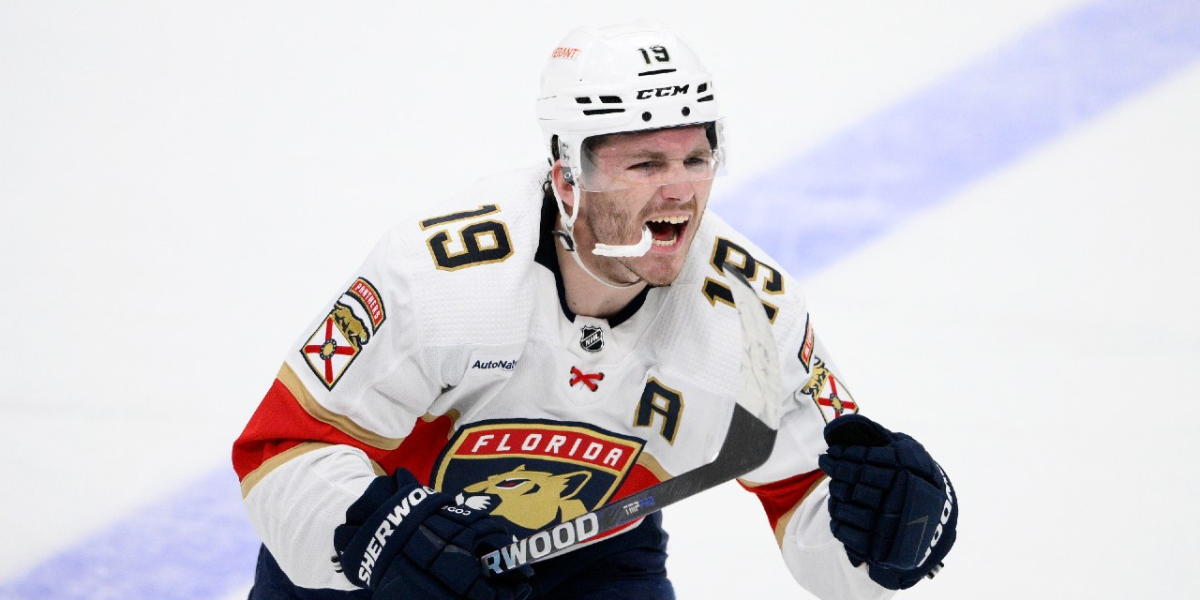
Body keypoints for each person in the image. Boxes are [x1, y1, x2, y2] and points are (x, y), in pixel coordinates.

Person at [233, 21, 957, 600]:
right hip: (379, 571)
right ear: (566, 174)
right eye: (644, 165)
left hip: (591, 562)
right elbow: (279, 452)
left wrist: (884, 541)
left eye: (694, 159)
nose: (679, 191)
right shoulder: (439, 278)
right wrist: (382, 543)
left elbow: (812, 510)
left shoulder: (752, 317)